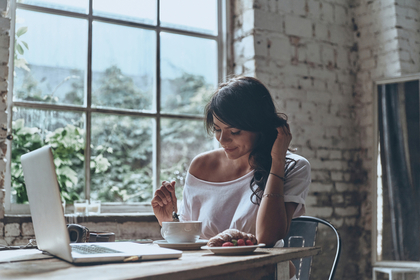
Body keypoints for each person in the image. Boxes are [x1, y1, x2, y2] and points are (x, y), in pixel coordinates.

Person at [152, 76, 311, 280]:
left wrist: (277, 161)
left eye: (234, 131)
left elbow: (268, 238)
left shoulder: (293, 166)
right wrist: (168, 219)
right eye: (217, 129)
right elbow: (192, 241)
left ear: (260, 127)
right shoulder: (202, 166)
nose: (222, 140)